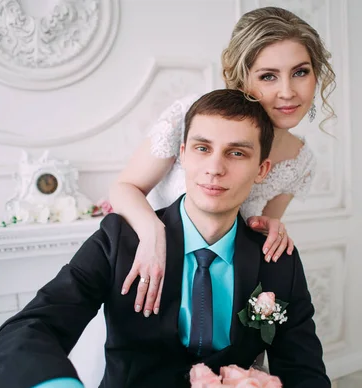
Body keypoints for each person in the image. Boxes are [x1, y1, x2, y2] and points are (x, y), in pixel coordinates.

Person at [0, 89, 333, 388]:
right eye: (202, 148)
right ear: (182, 155)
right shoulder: (119, 241)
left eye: (237, 153)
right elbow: (28, 330)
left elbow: (304, 372)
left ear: (262, 169)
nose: (214, 168)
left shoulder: (277, 259)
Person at [110, 6, 336, 318]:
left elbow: (253, 238)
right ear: (243, 79)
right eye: (268, 76)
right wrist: (152, 235)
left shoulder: (300, 160)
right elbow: (124, 188)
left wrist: (269, 226)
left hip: (220, 287)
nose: (288, 92)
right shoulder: (194, 116)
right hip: (150, 266)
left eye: (300, 72)